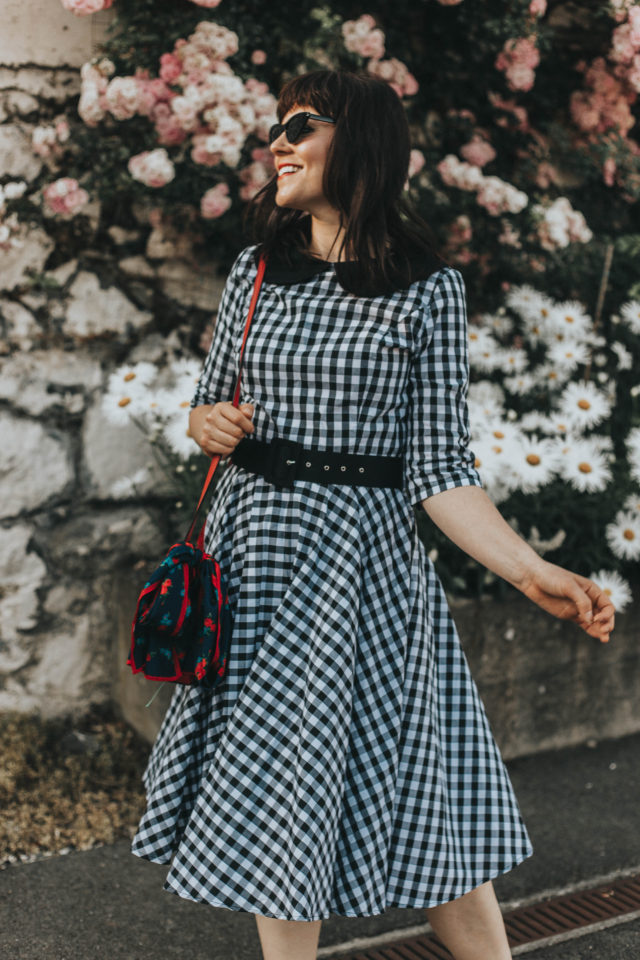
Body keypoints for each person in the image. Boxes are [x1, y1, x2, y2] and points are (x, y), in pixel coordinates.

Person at [130, 69, 615, 960]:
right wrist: (207, 422)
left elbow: (438, 469)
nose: (279, 141)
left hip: (362, 573)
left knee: (421, 790)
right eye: (276, 126)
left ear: (360, 142)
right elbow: (207, 409)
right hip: (256, 562)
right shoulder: (256, 270)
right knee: (282, 792)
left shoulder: (427, 289)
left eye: (302, 125)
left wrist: (531, 571)